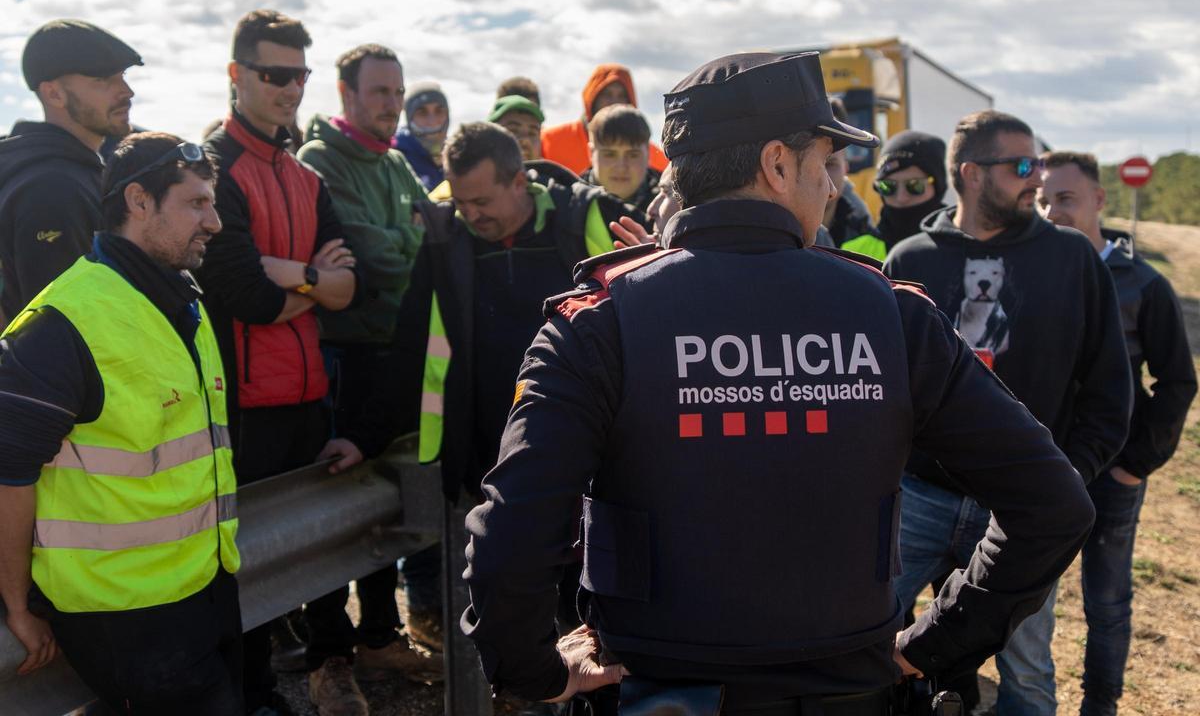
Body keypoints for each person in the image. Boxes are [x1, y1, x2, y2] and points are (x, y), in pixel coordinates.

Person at [460, 52, 1098, 714]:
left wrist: (531, 671)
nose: (831, 187)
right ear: (777, 164)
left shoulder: (597, 321)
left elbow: (510, 537)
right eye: (825, 163)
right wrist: (930, 645)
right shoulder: (891, 315)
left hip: (654, 691)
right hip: (848, 691)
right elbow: (1052, 504)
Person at [883, 111, 1133, 715]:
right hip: (920, 496)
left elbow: (1108, 389)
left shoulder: (1072, 258)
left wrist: (1061, 477)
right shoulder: (911, 259)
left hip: (1022, 505)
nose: (1037, 179)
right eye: (1023, 166)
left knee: (1027, 670)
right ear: (971, 174)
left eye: (1040, 165)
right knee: (867, 643)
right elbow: (881, 389)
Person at [0, 131, 241, 714]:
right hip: (123, 612)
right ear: (138, 201)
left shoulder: (181, 298)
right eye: (196, 203)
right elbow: (8, 473)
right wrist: (15, 603)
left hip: (204, 581)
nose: (214, 223)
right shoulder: (64, 320)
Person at [195, 9, 363, 716]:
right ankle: (258, 693)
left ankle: (332, 666)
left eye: (297, 74)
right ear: (237, 76)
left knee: (325, 554)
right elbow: (240, 294)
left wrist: (288, 278)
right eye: (273, 75)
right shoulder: (213, 165)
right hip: (243, 402)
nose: (289, 89)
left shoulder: (303, 175)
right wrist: (311, 284)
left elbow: (351, 289)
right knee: (251, 564)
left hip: (308, 390)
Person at [399, 121, 644, 504]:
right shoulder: (447, 240)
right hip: (483, 462)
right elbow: (409, 340)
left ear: (518, 182)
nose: (470, 215)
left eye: (481, 203)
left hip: (584, 458)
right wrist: (363, 437)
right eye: (461, 203)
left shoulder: (584, 218)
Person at [296, 44, 441, 687]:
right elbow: (371, 255)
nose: (392, 104)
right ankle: (330, 657)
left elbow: (433, 232)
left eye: (397, 92)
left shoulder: (392, 163)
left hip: (400, 350)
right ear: (345, 93)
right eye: (380, 91)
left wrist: (411, 238)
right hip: (345, 353)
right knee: (337, 505)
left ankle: (380, 636)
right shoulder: (321, 161)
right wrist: (411, 239)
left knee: (385, 496)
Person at [1039, 151, 1197, 716]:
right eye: (1042, 199)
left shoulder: (1143, 284)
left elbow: (1177, 381)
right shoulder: (1036, 270)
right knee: (1030, 600)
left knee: (1106, 600)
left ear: (1100, 201)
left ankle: (1099, 705)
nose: (1051, 210)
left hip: (1113, 475)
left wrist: (1137, 463)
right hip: (1044, 468)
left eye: (1065, 198)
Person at [0, 19, 140, 324]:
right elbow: (62, 326)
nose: (126, 91)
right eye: (103, 79)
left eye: (123, 76)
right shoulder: (51, 187)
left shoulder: (70, 170)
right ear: (54, 95)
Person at [540, 63, 668, 176]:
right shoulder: (548, 141)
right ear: (592, 99)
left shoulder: (651, 154)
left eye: (622, 96)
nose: (614, 102)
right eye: (607, 95)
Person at [842, 131, 947, 261]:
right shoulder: (853, 252)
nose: (901, 197)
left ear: (938, 186)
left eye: (914, 186)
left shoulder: (962, 247)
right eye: (888, 187)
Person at [581, 104, 661, 214]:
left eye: (633, 155)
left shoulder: (676, 205)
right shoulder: (565, 205)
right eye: (610, 154)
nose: (621, 167)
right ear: (591, 153)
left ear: (648, 154)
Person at [489, 94, 580, 187]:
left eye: (532, 133)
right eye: (513, 130)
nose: (525, 140)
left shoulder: (563, 193)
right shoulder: (475, 184)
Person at [821, 99, 874, 248]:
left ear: (846, 167)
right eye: (812, 163)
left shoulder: (862, 226)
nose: (823, 177)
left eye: (829, 164)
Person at [393, 82, 449, 191]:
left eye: (439, 111)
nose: (432, 122)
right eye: (422, 113)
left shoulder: (456, 154)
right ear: (410, 119)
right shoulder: (395, 157)